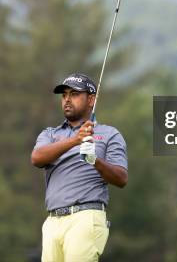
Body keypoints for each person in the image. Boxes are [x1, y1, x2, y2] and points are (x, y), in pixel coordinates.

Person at [31, 73, 128, 262]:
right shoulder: (50, 134)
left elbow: (121, 178)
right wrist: (75, 140)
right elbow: (37, 158)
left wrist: (95, 161)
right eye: (64, 95)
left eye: (74, 94)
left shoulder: (109, 134)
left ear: (91, 99)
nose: (67, 99)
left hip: (86, 217)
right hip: (52, 221)